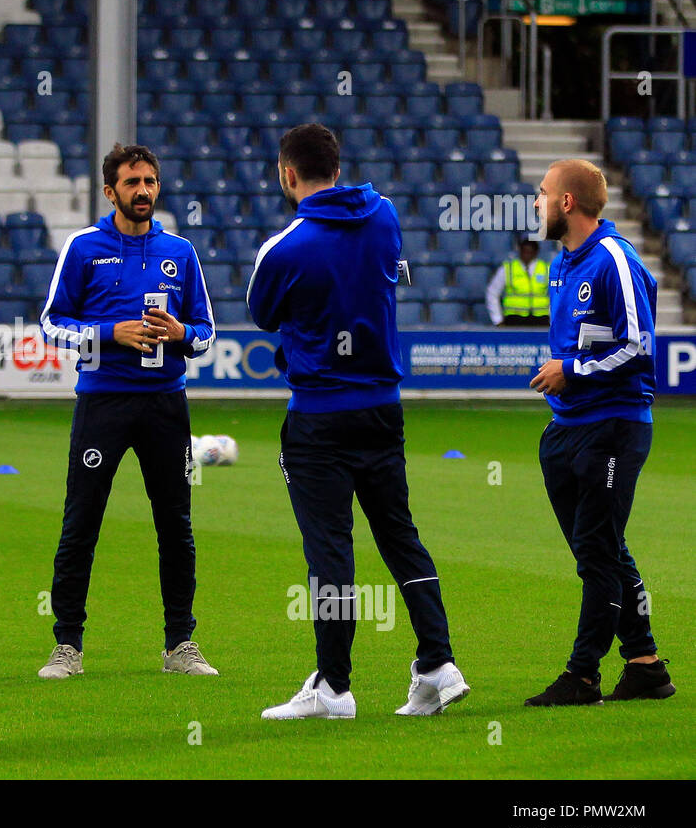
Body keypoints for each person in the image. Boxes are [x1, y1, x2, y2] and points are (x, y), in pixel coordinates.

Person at [246, 123, 469, 719]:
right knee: (400, 536)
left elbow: (264, 313)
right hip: (382, 410)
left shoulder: (284, 248)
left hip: (319, 418)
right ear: (337, 168)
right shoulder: (386, 216)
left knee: (331, 553)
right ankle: (437, 663)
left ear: (287, 174)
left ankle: (335, 688)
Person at [37, 143, 218, 679]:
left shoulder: (181, 253)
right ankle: (67, 645)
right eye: (133, 182)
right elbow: (51, 324)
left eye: (151, 182)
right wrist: (107, 333)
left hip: (166, 404)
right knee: (81, 524)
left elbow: (207, 334)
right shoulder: (84, 247)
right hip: (103, 402)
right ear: (110, 190)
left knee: (176, 525)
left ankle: (180, 644)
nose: (143, 191)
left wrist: (183, 334)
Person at [526, 158, 674, 706]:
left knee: (597, 551)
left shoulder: (614, 259)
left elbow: (640, 347)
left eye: (543, 194)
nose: (537, 203)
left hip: (613, 427)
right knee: (604, 550)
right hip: (568, 429)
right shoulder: (561, 264)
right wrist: (562, 373)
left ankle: (582, 674)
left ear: (567, 203)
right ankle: (645, 665)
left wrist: (573, 371)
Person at [486, 236, 551, 326]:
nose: (526, 255)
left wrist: (553, 319)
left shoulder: (546, 269)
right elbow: (492, 292)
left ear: (536, 253)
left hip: (541, 319)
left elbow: (557, 295)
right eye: (524, 252)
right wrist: (497, 320)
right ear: (519, 251)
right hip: (514, 319)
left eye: (530, 252)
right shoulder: (508, 269)